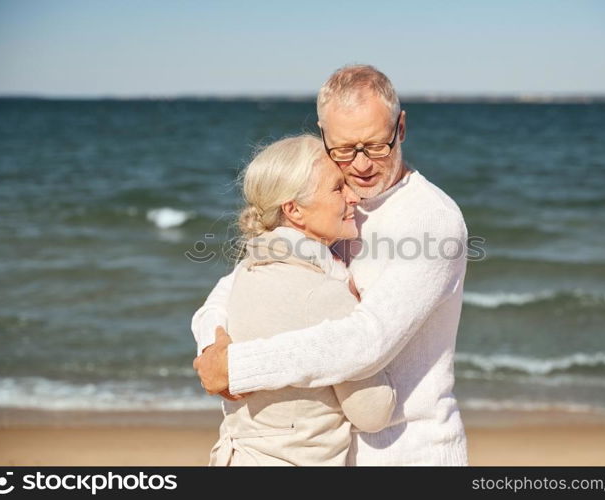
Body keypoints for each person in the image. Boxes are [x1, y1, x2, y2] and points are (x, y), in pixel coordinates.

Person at [193, 65, 469, 465]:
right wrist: (210, 345)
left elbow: (365, 341)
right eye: (343, 149)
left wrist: (238, 367)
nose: (361, 165)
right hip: (334, 455)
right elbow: (234, 285)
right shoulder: (328, 208)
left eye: (377, 145)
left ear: (401, 128)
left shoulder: (431, 220)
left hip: (410, 451)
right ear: (323, 134)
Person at [208, 135, 395, 466]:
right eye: (338, 188)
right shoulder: (323, 294)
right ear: (293, 209)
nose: (354, 197)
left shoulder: (245, 274)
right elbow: (372, 412)